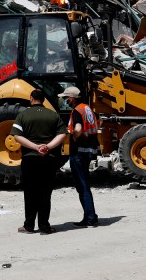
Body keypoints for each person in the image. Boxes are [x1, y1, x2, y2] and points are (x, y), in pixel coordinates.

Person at [11, 88, 67, 234]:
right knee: (45, 193)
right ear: (43, 99)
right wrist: (47, 147)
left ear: (31, 99)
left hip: (29, 159)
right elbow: (62, 134)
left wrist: (35, 147)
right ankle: (44, 226)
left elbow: (17, 136)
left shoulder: (22, 115)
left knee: (30, 193)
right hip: (48, 159)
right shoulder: (54, 116)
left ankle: (29, 226)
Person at [62, 86, 99, 228]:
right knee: (85, 184)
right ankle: (90, 216)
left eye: (66, 98)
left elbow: (77, 129)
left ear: (72, 98)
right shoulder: (87, 108)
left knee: (82, 186)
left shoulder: (77, 111)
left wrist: (76, 138)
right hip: (88, 150)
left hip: (79, 152)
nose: (65, 100)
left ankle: (90, 218)